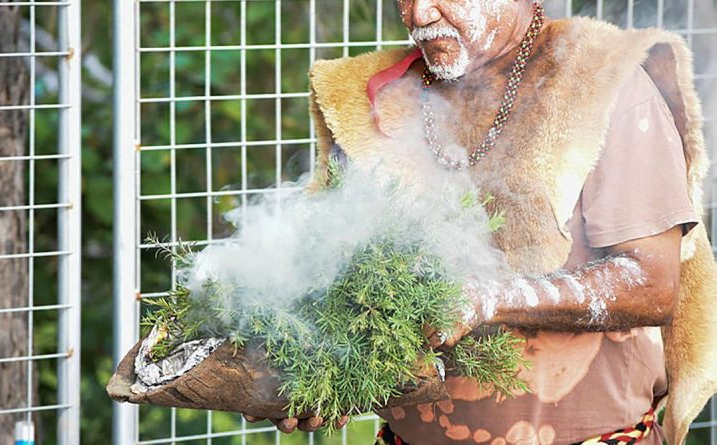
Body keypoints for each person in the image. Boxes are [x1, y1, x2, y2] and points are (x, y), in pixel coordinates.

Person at [244, 1, 717, 443]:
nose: (419, 14)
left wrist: (489, 299)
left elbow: (652, 284)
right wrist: (312, 367)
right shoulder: (371, 103)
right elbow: (343, 277)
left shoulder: (601, 81)